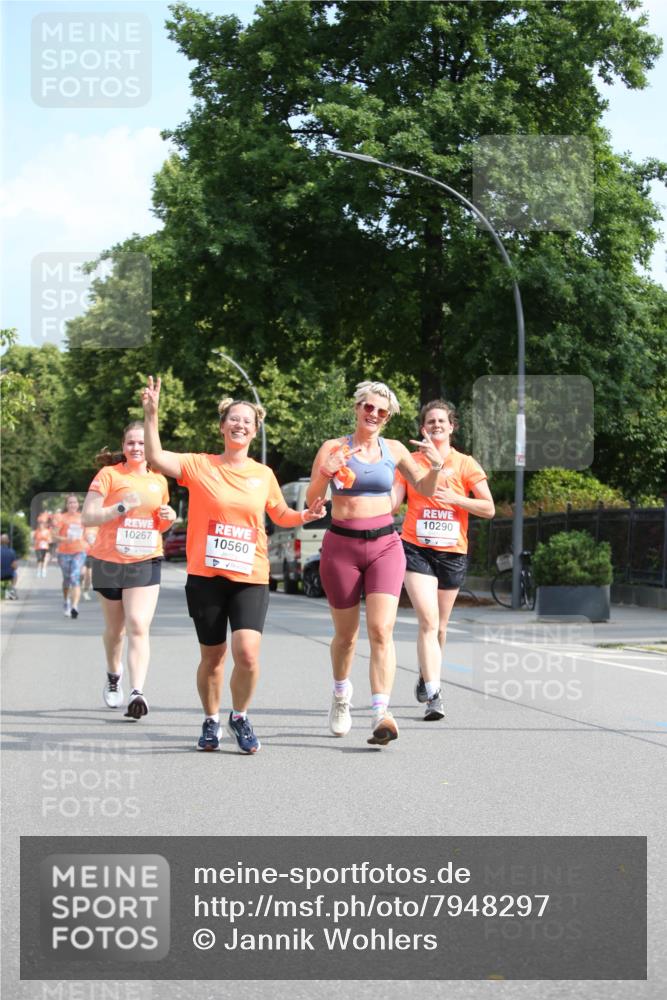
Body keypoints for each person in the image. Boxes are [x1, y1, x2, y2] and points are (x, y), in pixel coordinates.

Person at [141, 375, 327, 754]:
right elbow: (157, 458)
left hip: (250, 575)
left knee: (247, 653)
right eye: (234, 419)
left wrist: (306, 515)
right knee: (213, 657)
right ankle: (211, 720)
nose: (240, 425)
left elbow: (281, 514)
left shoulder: (264, 475)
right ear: (222, 426)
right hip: (206, 576)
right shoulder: (199, 465)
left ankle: (239, 715)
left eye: (247, 421)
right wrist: (151, 415)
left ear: (255, 429)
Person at [307, 380, 444, 747]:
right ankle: (340, 696)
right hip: (341, 547)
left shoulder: (394, 449)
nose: (374, 415)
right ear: (357, 408)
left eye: (382, 412)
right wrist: (325, 472)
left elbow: (427, 489)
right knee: (347, 636)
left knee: (382, 630)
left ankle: (381, 713)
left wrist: (435, 466)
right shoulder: (333, 448)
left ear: (388, 418)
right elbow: (312, 500)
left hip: (385, 544)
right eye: (368, 407)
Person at [393, 400, 494, 720]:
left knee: (440, 626)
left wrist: (456, 499)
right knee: (428, 619)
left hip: (452, 552)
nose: (436, 425)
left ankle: (427, 673)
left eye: (442, 421)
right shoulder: (410, 463)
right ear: (423, 428)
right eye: (430, 421)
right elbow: (393, 502)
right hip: (416, 548)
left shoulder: (465, 464)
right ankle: (435, 695)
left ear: (452, 427)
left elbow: (489, 508)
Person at [81, 422, 176, 719]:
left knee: (138, 624)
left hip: (145, 559)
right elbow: (88, 516)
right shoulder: (109, 475)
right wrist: (120, 507)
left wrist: (169, 517)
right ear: (123, 447)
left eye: (141, 443)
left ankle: (138, 691)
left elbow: (158, 523)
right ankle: (113, 674)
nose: (136, 448)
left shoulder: (159, 481)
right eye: (130, 443)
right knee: (115, 631)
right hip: (108, 561)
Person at [56, 495, 86, 618]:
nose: (73, 505)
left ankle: (74, 606)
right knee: (67, 580)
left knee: (75, 577)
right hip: (63, 552)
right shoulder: (61, 518)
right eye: (70, 503)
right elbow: (54, 535)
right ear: (66, 505)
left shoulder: (83, 518)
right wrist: (65, 539)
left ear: (78, 504)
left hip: (79, 551)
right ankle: (66, 601)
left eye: (74, 502)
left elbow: (89, 532)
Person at [81, 526, 98, 599]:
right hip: (82, 553)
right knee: (82, 573)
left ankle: (85, 591)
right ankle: (78, 585)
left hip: (92, 554)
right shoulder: (83, 527)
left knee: (89, 576)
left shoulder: (98, 528)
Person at [1, 534, 19, 600]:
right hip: (9, 575)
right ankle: (12, 588)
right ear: (8, 541)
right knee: (15, 574)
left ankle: (3, 591)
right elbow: (15, 566)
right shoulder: (12, 552)